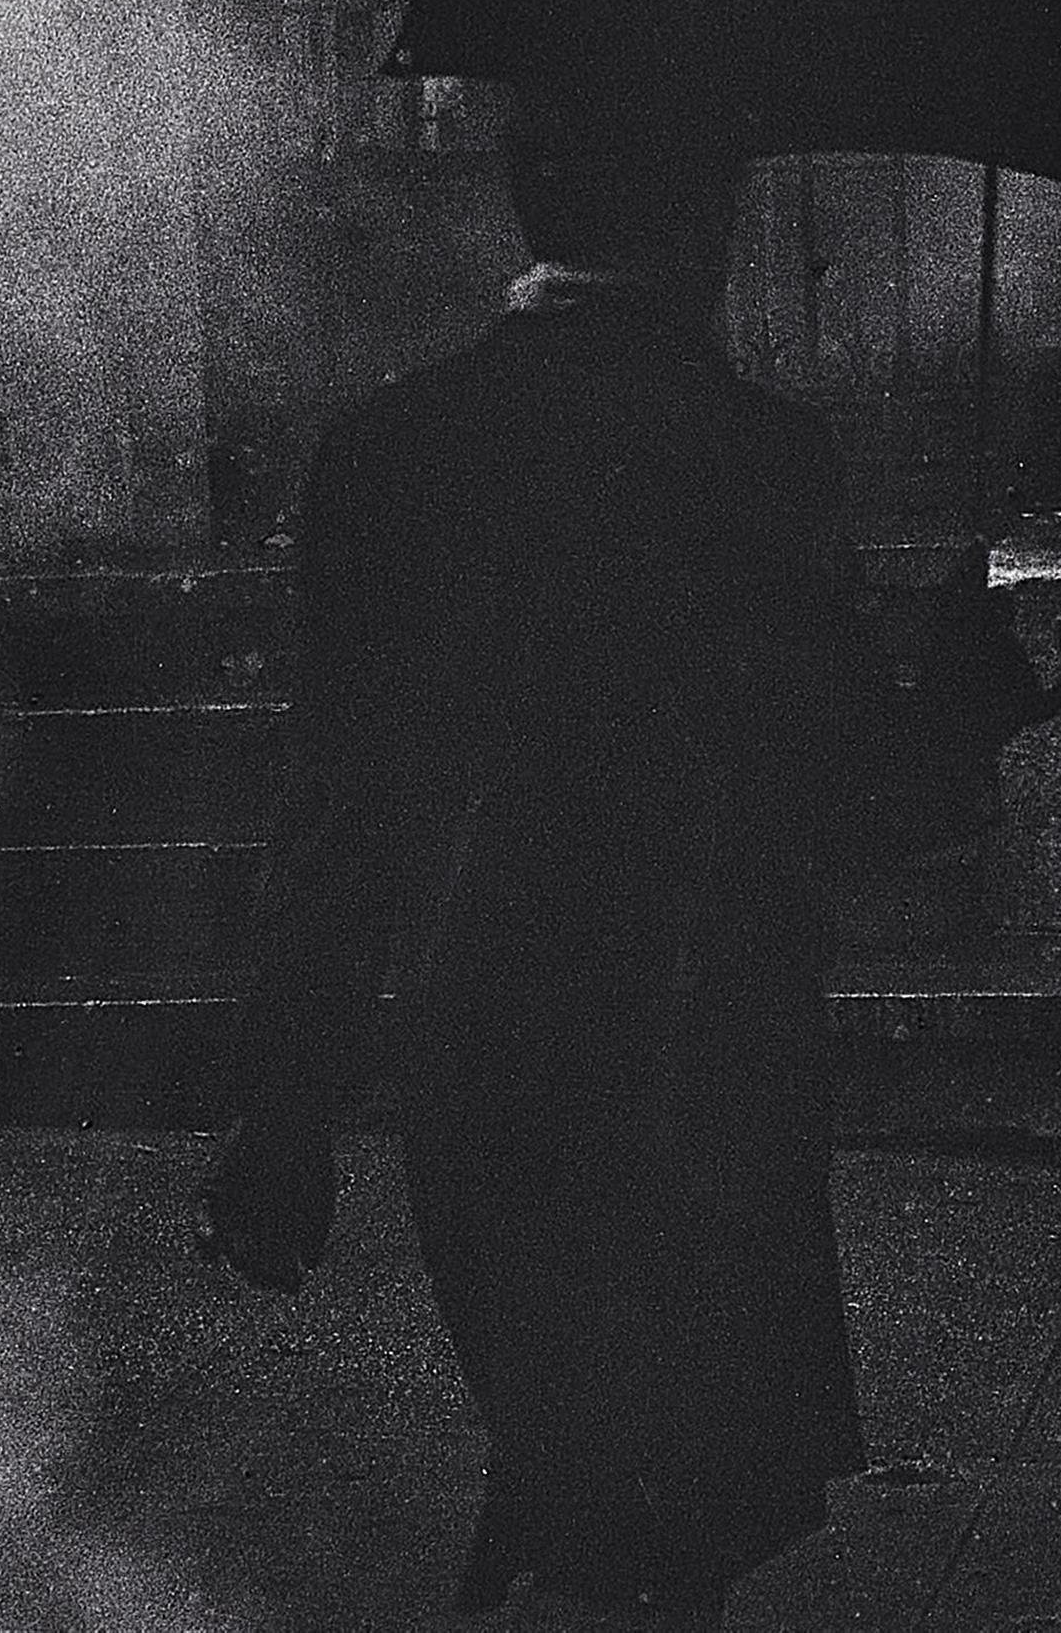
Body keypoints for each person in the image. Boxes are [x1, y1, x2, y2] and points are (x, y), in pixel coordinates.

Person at [201, 100, 874, 1626]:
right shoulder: (767, 458)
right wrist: (962, 698)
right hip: (712, 1050)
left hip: (488, 1051)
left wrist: (284, 1108)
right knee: (678, 1505)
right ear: (704, 228)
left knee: (578, 1459)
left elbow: (338, 813)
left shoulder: (391, 454)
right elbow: (846, 788)